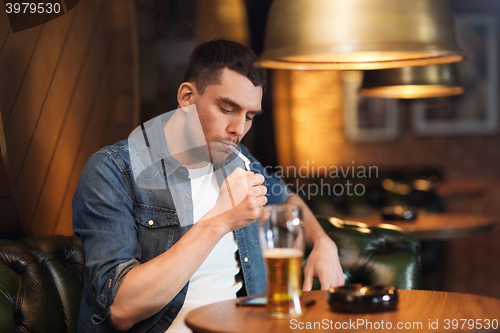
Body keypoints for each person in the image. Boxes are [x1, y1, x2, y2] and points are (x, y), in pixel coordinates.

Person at [73, 39, 344, 333]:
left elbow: (286, 200)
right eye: (228, 108)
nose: (239, 130)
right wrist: (220, 220)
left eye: (250, 116)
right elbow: (122, 308)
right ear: (188, 97)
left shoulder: (237, 161)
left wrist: (322, 242)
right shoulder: (113, 170)